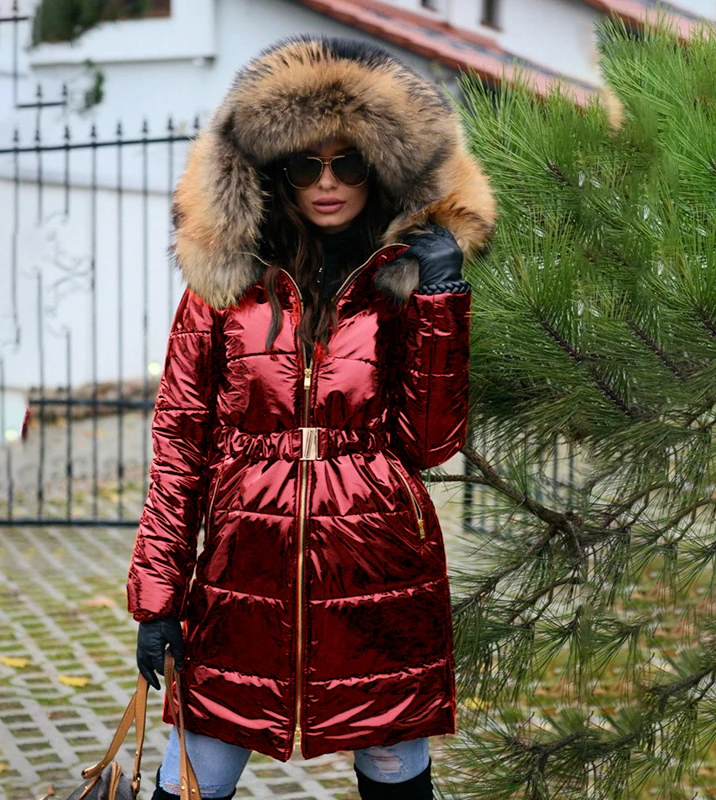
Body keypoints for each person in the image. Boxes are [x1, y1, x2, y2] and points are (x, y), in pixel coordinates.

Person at [126, 34, 496, 800]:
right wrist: (158, 595)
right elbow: (180, 442)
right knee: (200, 766)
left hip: (378, 563)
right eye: (305, 165)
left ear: (379, 168)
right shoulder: (224, 290)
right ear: (273, 170)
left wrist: (440, 301)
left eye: (348, 163)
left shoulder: (403, 286)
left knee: (393, 766)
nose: (327, 183)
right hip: (243, 565)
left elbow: (431, 443)